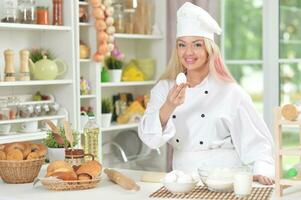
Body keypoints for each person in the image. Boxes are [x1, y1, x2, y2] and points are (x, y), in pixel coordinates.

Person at [138, 2, 275, 185]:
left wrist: (262, 170)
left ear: (209, 49)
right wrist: (169, 105)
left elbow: (257, 141)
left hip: (225, 179)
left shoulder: (230, 92)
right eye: (182, 45)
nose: (188, 52)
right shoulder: (163, 89)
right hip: (182, 179)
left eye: (197, 45)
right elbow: (150, 139)